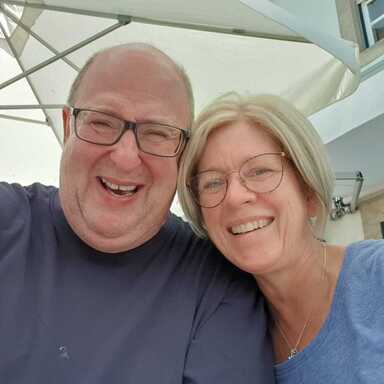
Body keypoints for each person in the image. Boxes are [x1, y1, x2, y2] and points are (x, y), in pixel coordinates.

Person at [0, 45, 275, 383]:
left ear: (183, 154)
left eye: (158, 133)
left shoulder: (218, 286)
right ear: (68, 126)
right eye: (102, 122)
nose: (125, 157)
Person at [178, 92, 384, 383]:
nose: (235, 197)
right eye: (213, 182)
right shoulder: (228, 337)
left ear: (308, 192)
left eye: (260, 170)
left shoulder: (377, 277)